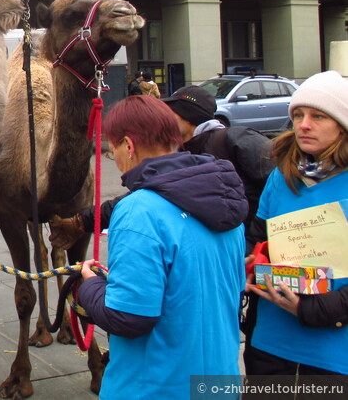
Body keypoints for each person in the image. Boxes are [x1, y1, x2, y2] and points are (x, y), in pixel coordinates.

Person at [75, 95, 247, 398]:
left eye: (112, 148)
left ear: (128, 146)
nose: (113, 157)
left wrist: (90, 288)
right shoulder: (225, 202)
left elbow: (127, 316)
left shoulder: (138, 211)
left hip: (156, 386)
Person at [51, 84, 273, 253]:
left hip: (259, 254)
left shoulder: (234, 138)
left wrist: (254, 243)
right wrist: (83, 221)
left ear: (187, 116)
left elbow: (284, 185)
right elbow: (148, 197)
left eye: (171, 112)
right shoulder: (183, 152)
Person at [244, 70, 348, 376]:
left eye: (318, 116)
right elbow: (257, 235)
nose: (303, 124)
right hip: (269, 344)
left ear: (342, 126)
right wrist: (248, 265)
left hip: (333, 354)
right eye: (298, 114)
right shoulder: (282, 176)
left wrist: (312, 309)